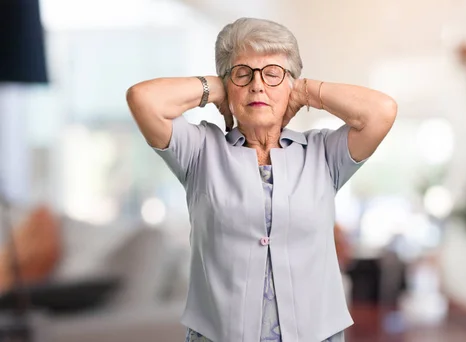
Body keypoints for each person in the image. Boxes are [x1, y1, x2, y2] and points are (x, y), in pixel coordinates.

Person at [126, 17, 397, 342]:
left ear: (290, 85)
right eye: (243, 73)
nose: (257, 85)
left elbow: (381, 111)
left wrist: (306, 91)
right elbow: (143, 99)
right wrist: (214, 87)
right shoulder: (200, 150)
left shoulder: (323, 152)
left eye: (273, 73)